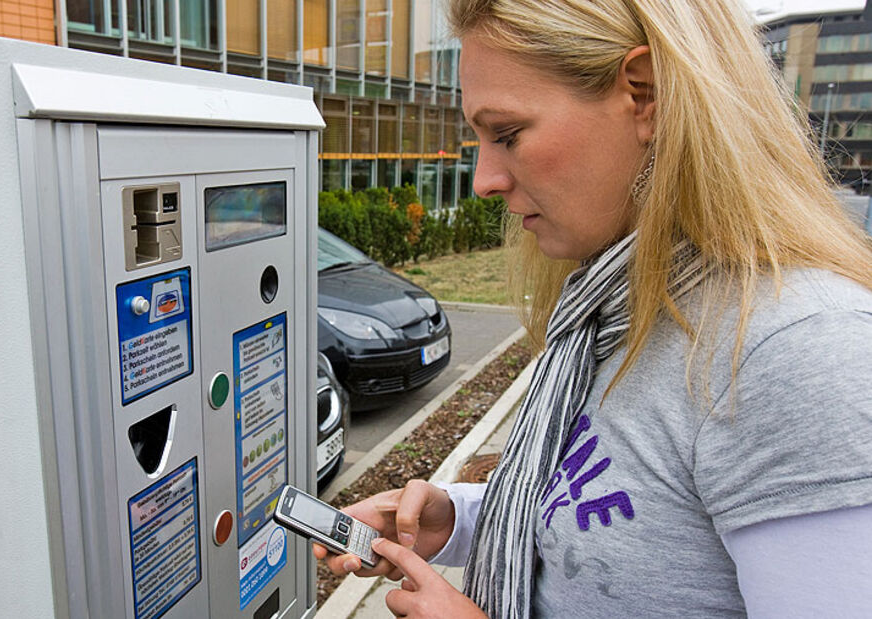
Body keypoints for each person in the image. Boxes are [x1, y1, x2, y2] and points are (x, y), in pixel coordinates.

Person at [314, 0, 872, 617]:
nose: (484, 180)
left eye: (506, 133)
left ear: (645, 94)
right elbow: (615, 518)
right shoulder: (614, 309)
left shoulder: (799, 352)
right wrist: (457, 519)